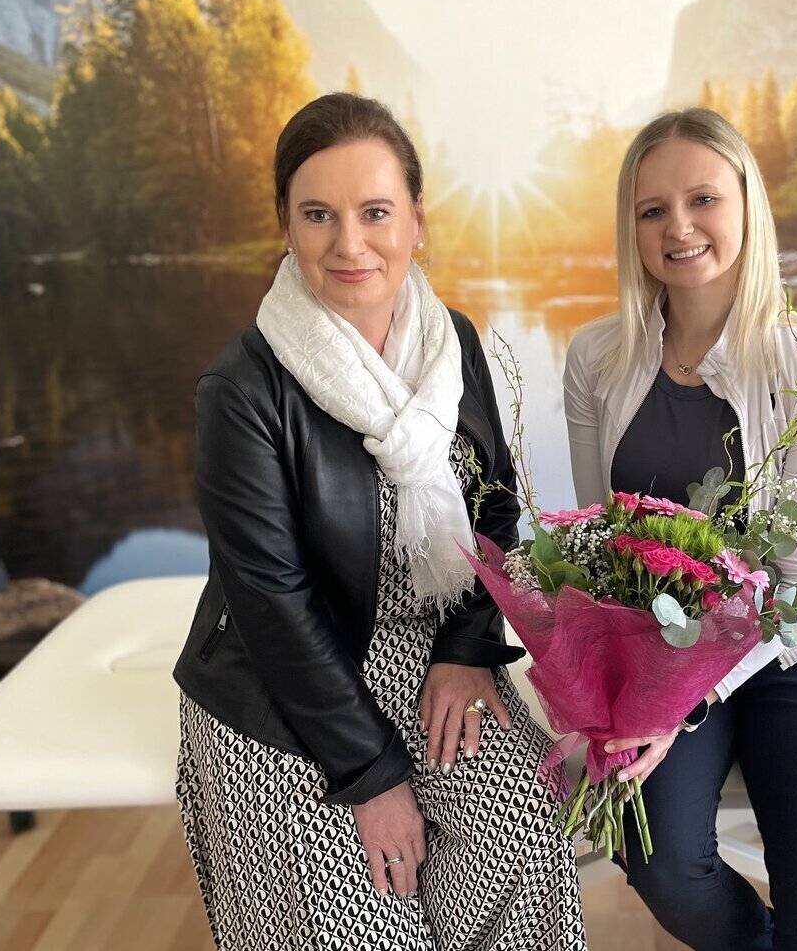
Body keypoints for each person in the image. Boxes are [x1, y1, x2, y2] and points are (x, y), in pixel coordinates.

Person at [173, 92, 586, 951]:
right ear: (285, 226)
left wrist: (470, 649)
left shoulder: (453, 343)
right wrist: (371, 777)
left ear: (418, 222)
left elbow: (495, 508)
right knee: (352, 921)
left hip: (429, 650)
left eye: (374, 212)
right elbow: (271, 602)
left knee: (522, 837)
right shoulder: (243, 389)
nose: (349, 244)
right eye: (318, 215)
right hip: (287, 689)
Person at [563, 107, 797, 950]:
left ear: (747, 205)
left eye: (703, 198)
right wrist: (619, 685)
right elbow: (606, 542)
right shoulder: (596, 360)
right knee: (661, 860)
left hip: (794, 646)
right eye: (651, 209)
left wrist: (686, 701)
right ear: (632, 227)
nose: (679, 227)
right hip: (661, 649)